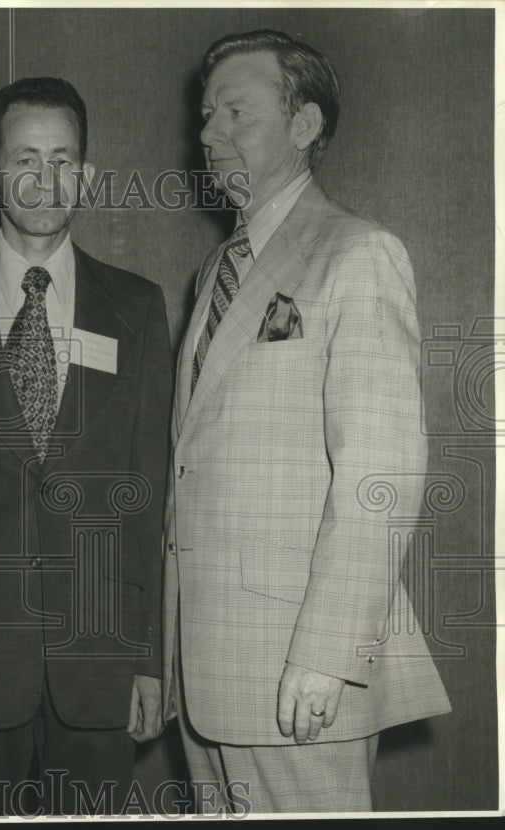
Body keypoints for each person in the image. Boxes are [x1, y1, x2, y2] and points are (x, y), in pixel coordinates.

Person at [162, 30, 451, 813]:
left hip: (296, 671)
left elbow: (380, 472)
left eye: (234, 112)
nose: (209, 132)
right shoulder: (215, 272)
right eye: (205, 114)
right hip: (208, 668)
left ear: (304, 126)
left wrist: (328, 654)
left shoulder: (358, 254)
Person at [0, 77, 172, 815]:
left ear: (86, 173)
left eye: (64, 158)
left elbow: (150, 497)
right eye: (24, 159)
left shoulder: (138, 308)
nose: (45, 180)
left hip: (99, 662)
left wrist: (149, 660)